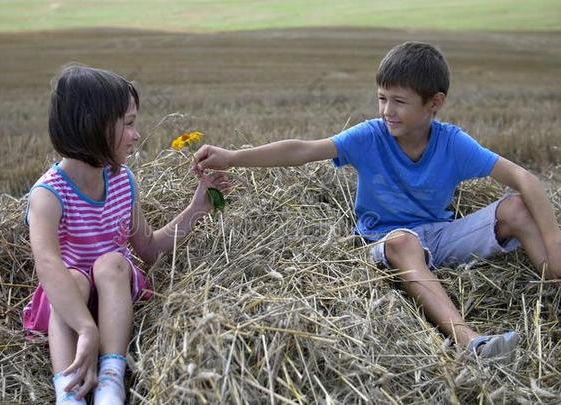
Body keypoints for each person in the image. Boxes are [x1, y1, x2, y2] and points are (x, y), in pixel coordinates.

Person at [192, 41, 561, 361]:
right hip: (385, 242)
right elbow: (304, 150)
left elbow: (524, 178)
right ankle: (472, 345)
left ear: (435, 103)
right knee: (404, 242)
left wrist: (554, 244)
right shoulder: (370, 136)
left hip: (439, 235)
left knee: (516, 207)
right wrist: (233, 156)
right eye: (382, 98)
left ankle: (555, 286)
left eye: (399, 102)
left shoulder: (452, 143)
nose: (387, 111)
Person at [23, 65, 230, 404]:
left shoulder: (123, 181)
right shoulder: (48, 195)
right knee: (71, 277)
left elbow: (149, 248)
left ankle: (110, 379)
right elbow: (48, 266)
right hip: (65, 305)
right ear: (94, 125)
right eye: (129, 123)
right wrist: (87, 328)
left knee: (111, 263)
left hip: (115, 294)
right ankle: (68, 390)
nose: (136, 135)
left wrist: (196, 208)